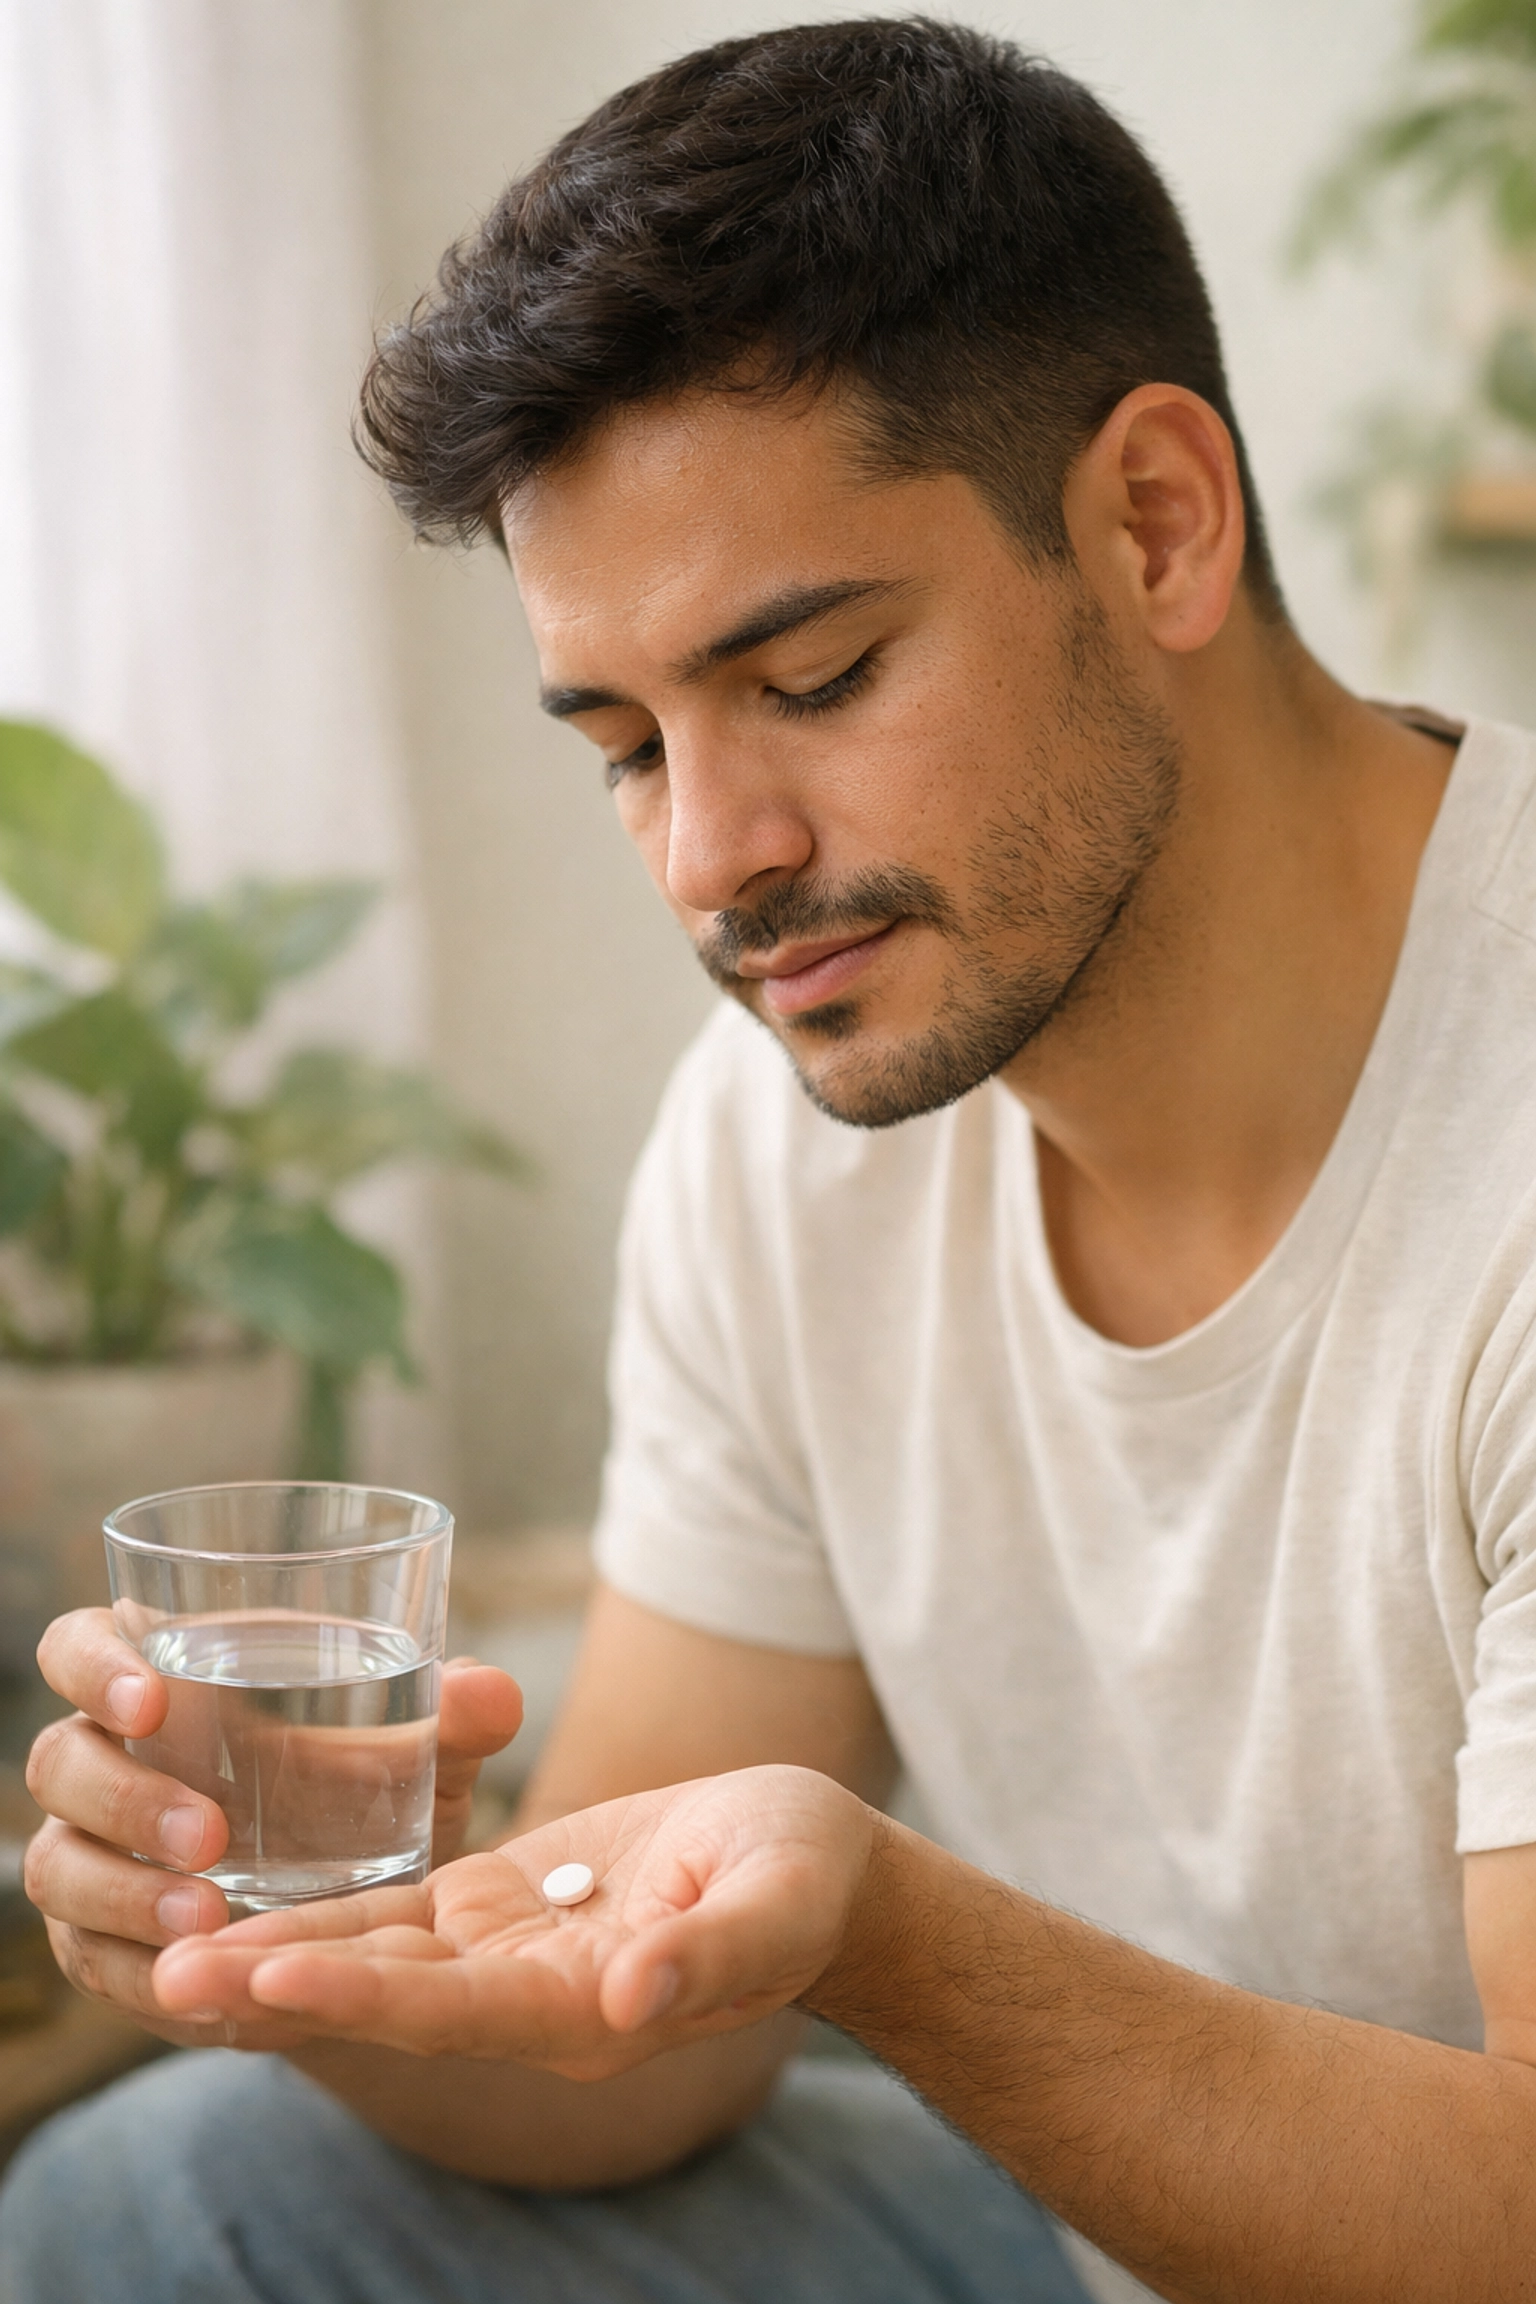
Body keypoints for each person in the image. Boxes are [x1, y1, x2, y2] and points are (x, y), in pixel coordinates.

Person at [3, 16, 1535, 2300]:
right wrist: (293, 1941)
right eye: (623, 743)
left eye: (810, 679)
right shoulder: (793, 1125)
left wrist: (886, 1935)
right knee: (157, 2197)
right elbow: (633, 2058)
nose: (715, 860)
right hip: (1088, 2227)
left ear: (1154, 525)